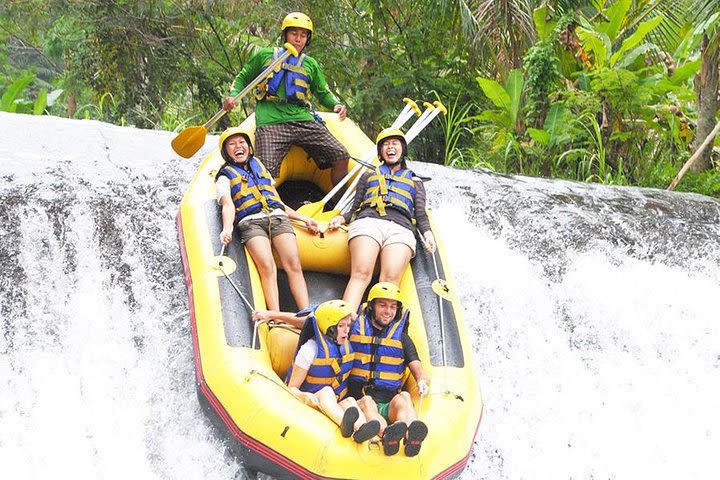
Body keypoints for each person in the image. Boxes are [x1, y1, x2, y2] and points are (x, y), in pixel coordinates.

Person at [222, 12, 350, 185]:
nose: (298, 39)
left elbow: (322, 91)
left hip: (301, 119)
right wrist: (232, 96)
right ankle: (273, 208)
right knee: (265, 172)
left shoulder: (310, 63)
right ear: (285, 35)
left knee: (341, 155)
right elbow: (243, 78)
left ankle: (340, 205)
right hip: (270, 121)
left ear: (308, 39)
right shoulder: (265, 55)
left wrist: (336, 104)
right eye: (294, 34)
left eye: (303, 35)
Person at [328, 128, 437, 309]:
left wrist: (428, 234)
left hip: (400, 229)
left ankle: (379, 331)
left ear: (402, 149)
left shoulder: (415, 182)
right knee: (361, 273)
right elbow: (355, 208)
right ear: (380, 152)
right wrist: (342, 219)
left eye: (395, 143)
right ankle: (343, 322)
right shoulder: (368, 176)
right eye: (386, 144)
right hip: (369, 222)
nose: (390, 147)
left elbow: (420, 214)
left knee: (390, 280)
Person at [216, 126, 318, 312]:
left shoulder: (260, 167)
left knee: (293, 264)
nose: (238, 146)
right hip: (251, 222)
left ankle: (306, 313)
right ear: (226, 151)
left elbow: (276, 201)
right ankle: (275, 315)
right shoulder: (225, 176)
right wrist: (227, 228)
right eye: (232, 144)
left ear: (248, 146)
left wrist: (303, 219)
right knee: (267, 266)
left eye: (241, 142)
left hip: (277, 217)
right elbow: (228, 205)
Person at [348, 282, 430, 457]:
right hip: (361, 398)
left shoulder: (402, 337)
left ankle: (410, 436)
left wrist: (422, 381)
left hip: (388, 403)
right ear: (371, 306)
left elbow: (419, 370)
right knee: (368, 402)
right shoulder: (352, 329)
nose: (388, 311)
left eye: (393, 307)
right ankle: (388, 435)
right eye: (382, 305)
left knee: (405, 397)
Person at [287, 300, 381, 443]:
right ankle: (344, 424)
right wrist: (304, 395)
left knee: (349, 401)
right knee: (327, 391)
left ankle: (364, 432)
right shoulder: (309, 349)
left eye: (348, 325)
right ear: (330, 328)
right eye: (341, 326)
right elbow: (292, 388)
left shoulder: (346, 347)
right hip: (313, 402)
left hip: (334, 404)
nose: (346, 330)